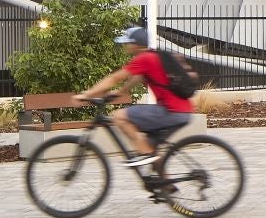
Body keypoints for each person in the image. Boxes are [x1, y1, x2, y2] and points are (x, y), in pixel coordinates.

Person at [76, 25, 192, 168]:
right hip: (182, 111)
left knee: (119, 116)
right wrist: (120, 92)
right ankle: (166, 187)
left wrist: (86, 94)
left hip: (171, 111)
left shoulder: (144, 58)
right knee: (150, 146)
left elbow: (114, 78)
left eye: (127, 43)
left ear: (136, 45)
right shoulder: (154, 56)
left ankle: (145, 154)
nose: (125, 46)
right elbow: (138, 78)